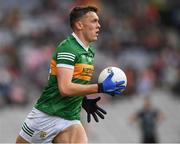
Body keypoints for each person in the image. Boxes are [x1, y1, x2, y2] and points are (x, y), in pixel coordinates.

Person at [16, 6, 125, 143]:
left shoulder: (89, 52)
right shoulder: (68, 48)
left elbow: (75, 83)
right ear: (79, 25)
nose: (99, 25)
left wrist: (83, 101)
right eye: (94, 21)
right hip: (46, 116)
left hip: (70, 118)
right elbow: (65, 88)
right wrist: (100, 87)